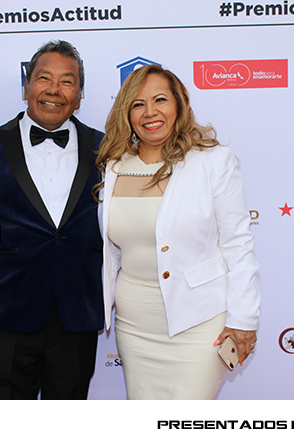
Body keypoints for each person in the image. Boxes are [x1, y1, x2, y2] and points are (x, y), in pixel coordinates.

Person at [96, 65, 260, 400]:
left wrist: (244, 318)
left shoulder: (213, 161)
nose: (150, 112)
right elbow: (113, 250)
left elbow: (238, 244)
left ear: (179, 104)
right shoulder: (113, 166)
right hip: (134, 323)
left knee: (187, 423)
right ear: (127, 113)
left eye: (160, 100)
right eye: (138, 104)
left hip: (200, 321)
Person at [0, 40, 104, 400]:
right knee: (3, 424)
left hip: (77, 313)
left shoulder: (107, 149)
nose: (54, 89)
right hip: (8, 312)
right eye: (44, 78)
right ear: (26, 87)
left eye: (67, 81)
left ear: (79, 96)